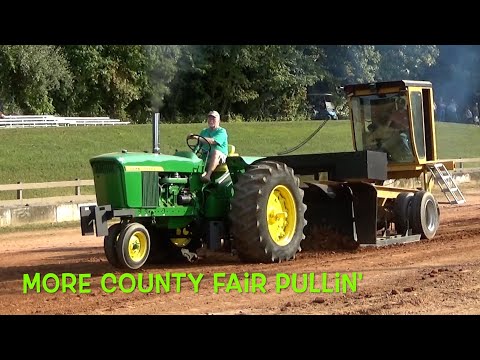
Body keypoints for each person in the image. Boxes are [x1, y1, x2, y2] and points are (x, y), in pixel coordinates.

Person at [188, 110, 228, 183]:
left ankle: (208, 175)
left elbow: (213, 141)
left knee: (216, 152)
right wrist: (192, 155)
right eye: (209, 118)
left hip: (220, 157)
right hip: (206, 155)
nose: (211, 120)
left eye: (213, 118)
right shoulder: (204, 131)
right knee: (193, 158)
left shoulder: (222, 131)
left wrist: (197, 137)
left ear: (219, 120)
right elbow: (199, 145)